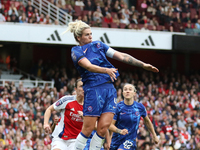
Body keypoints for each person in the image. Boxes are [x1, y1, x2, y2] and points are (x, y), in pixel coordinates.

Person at [64, 20, 159, 150]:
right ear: (78, 37)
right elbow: (88, 66)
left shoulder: (98, 45)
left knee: (103, 128)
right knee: (88, 128)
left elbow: (121, 56)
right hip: (93, 88)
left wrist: (142, 64)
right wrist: (106, 70)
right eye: (87, 35)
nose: (90, 36)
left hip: (109, 88)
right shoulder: (76, 50)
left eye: (91, 33)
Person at [109, 84, 159, 150]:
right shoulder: (118, 107)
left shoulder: (140, 107)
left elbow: (147, 121)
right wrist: (120, 131)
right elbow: (110, 125)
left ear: (134, 93)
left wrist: (154, 135)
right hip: (116, 141)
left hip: (130, 141)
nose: (127, 91)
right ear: (123, 93)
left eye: (130, 89)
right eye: (125, 89)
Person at [43, 78, 84, 150]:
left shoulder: (90, 106)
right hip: (60, 138)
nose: (83, 88)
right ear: (76, 89)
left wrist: (85, 117)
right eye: (81, 86)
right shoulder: (67, 100)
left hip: (76, 140)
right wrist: (46, 123)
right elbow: (49, 109)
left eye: (85, 86)